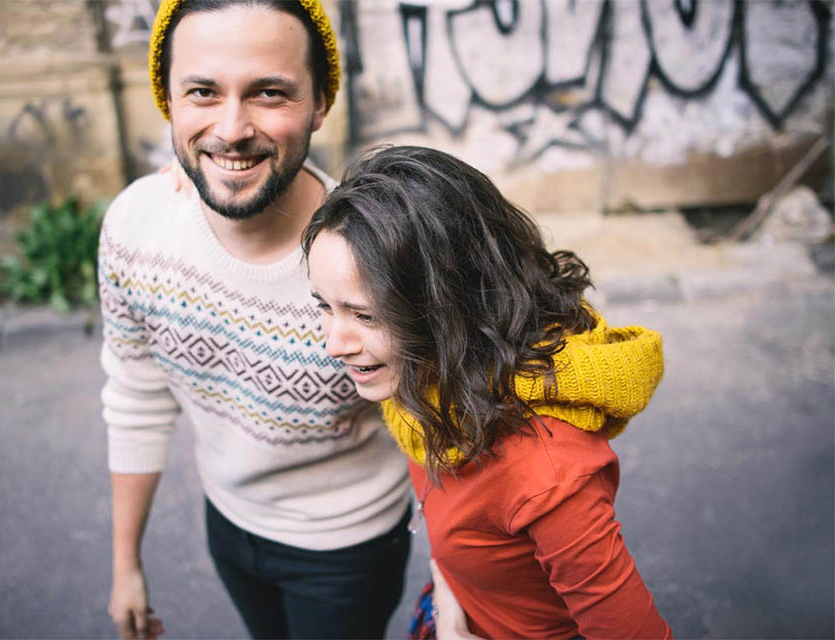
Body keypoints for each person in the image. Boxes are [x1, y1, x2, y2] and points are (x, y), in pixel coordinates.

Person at [97, 3, 411, 639]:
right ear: (169, 99)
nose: (232, 129)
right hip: (229, 525)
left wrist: (461, 586)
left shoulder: (375, 256)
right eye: (203, 92)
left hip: (347, 547)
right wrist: (125, 563)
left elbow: (446, 427)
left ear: (320, 103)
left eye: (269, 92)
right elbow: (136, 396)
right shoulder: (135, 227)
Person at [303, 145, 673, 639]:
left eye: (366, 315)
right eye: (324, 306)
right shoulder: (432, 379)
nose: (333, 344)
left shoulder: (546, 471)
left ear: (449, 305)